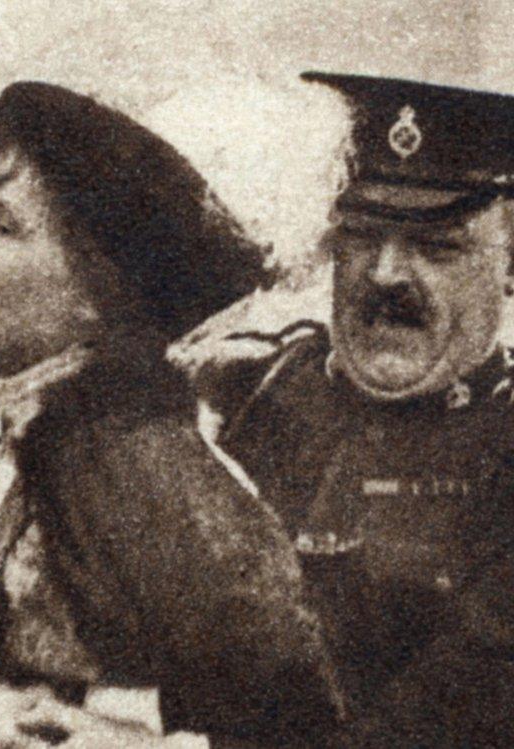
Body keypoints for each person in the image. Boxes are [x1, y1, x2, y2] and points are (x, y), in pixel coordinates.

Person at [0, 81, 346, 748]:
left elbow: (300, 726)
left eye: (4, 227)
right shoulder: (36, 441)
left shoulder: (144, 467)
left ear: (97, 295)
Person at [215, 72, 514, 746]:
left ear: (511, 260)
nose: (385, 274)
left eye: (438, 246)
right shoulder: (246, 397)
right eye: (361, 235)